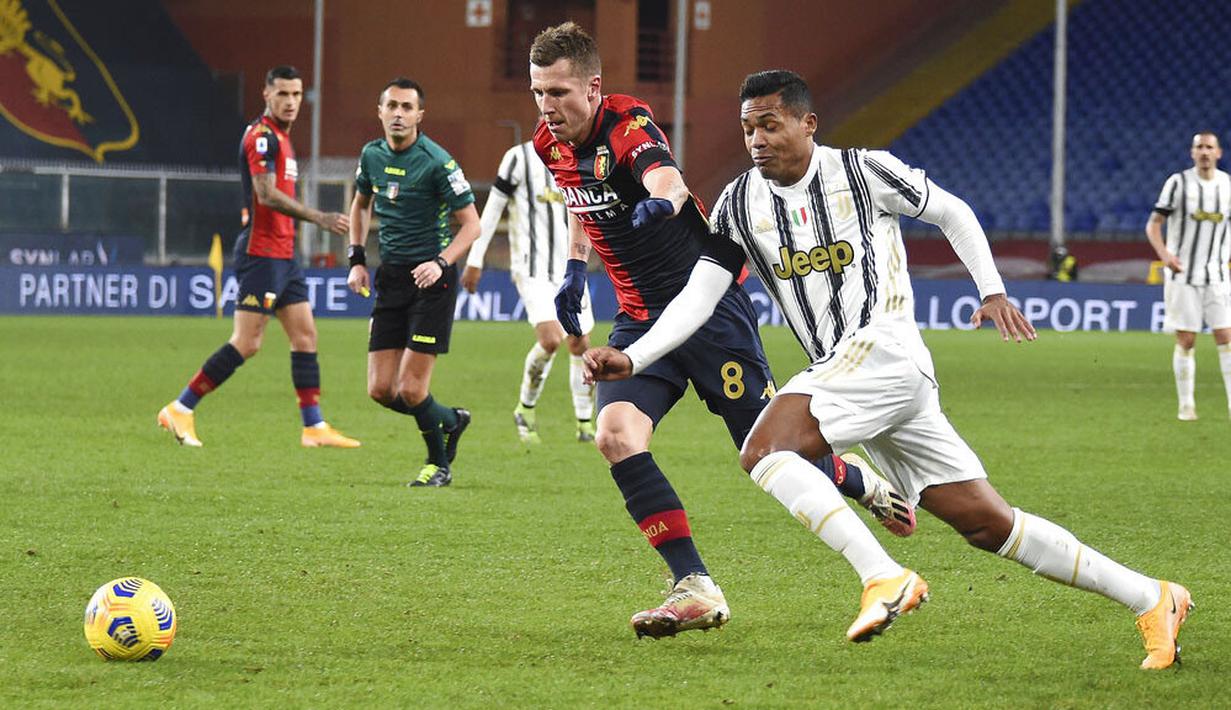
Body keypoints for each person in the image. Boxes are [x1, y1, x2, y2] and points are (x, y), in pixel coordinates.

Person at [586, 70, 1193, 669]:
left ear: (807, 123)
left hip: (884, 348)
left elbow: (952, 212)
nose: (757, 140)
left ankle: (883, 576)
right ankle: (1152, 597)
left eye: (770, 125)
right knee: (987, 523)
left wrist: (992, 290)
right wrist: (635, 356)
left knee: (764, 450)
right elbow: (701, 294)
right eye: (748, 129)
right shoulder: (740, 203)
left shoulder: (863, 170)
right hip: (864, 377)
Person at [527, 23, 911, 640]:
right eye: (539, 92)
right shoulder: (549, 141)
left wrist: (661, 202)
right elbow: (581, 198)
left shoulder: (627, 124)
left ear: (594, 87)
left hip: (707, 313)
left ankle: (858, 479)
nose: (549, 106)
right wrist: (575, 268)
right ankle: (695, 585)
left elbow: (665, 178)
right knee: (616, 434)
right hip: (636, 320)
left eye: (561, 92)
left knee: (767, 450)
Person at [158, 65, 359, 449]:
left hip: (285, 255)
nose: (291, 102)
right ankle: (181, 408)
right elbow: (265, 194)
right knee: (247, 342)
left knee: (305, 336)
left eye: (297, 95)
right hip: (261, 253)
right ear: (266, 95)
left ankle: (313, 427)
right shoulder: (262, 138)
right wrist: (318, 216)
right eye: (283, 94)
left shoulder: (283, 139)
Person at [346, 78, 479, 488]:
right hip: (391, 278)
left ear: (420, 114)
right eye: (393, 106)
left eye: (407, 107)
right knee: (381, 390)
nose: (399, 114)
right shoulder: (371, 156)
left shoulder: (437, 161)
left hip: (432, 281)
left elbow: (472, 225)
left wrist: (441, 262)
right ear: (380, 111)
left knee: (411, 387)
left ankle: (439, 465)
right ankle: (451, 420)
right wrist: (356, 259)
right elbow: (360, 206)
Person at [461, 140, 597, 444]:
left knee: (580, 343)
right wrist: (474, 259)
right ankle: (525, 407)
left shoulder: (578, 156)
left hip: (569, 267)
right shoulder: (518, 158)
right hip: (531, 268)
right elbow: (494, 208)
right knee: (550, 339)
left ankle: (585, 422)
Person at [1146, 131, 1231, 421]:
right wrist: (1164, 255)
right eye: (1199, 147)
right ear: (1192, 153)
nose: (1205, 152)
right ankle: (1186, 406)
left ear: (1218, 152)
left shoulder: (1228, 185)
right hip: (1183, 275)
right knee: (1186, 340)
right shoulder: (1178, 183)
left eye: (1209, 147)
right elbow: (1154, 224)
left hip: (1218, 275)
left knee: (1226, 336)